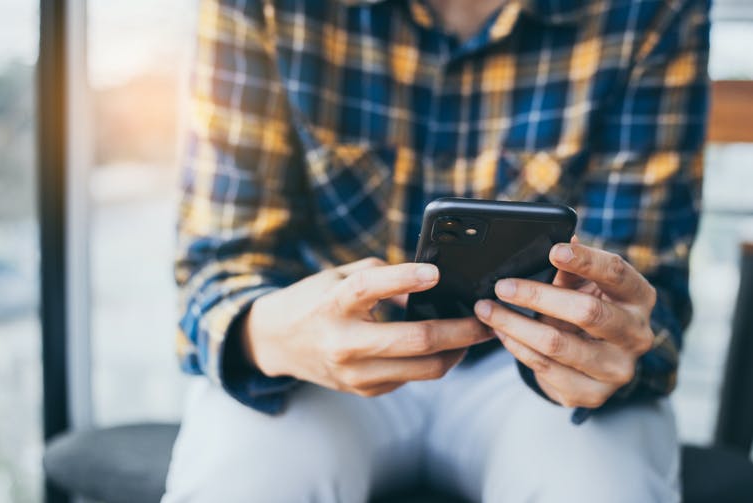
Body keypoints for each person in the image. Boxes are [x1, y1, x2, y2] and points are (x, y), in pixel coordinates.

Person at [163, 0, 709, 501]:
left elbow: (644, 288)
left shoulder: (651, 12)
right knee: (240, 482)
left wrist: (613, 346)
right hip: (319, 362)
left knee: (605, 487)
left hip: (530, 372)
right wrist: (271, 335)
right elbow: (221, 264)